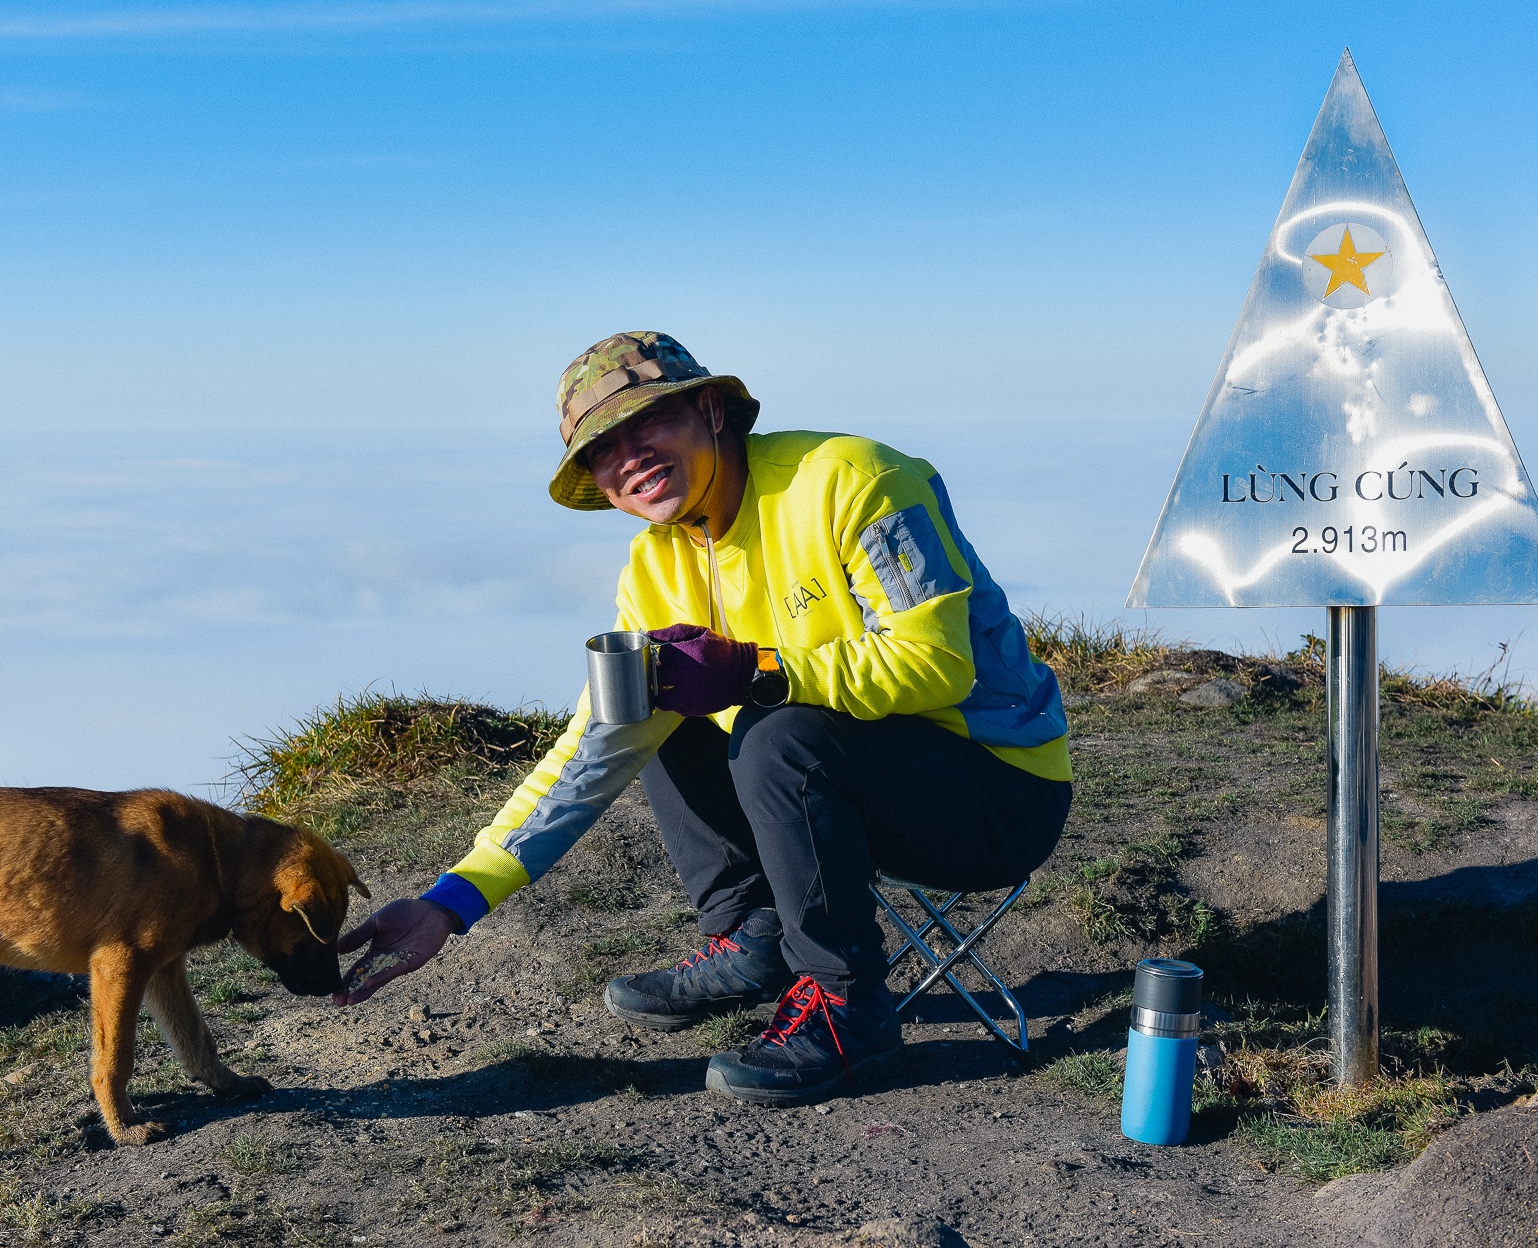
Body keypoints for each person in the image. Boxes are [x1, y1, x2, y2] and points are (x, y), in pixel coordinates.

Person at [338, 333, 1072, 1105]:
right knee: (646, 700)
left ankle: (847, 1007)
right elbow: (590, 750)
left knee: (778, 732)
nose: (629, 457)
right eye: (603, 450)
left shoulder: (856, 480)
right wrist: (450, 903)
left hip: (999, 791)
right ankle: (754, 937)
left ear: (711, 409)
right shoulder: (656, 568)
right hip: (866, 786)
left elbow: (938, 665)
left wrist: (756, 671)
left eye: (645, 423)